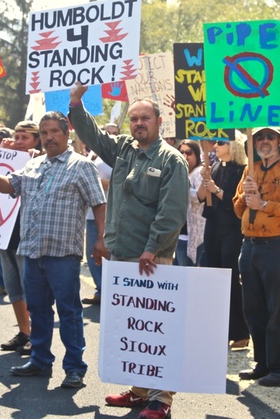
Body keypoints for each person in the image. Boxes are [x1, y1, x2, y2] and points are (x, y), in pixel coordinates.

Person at [69, 84, 188, 419]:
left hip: (152, 259)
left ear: (159, 121)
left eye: (145, 118)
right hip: (122, 257)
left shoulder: (171, 160)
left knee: (156, 328)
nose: (138, 123)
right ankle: (138, 391)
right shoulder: (122, 149)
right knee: (133, 328)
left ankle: (162, 398)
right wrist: (76, 102)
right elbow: (91, 134)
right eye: (134, 118)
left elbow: (171, 212)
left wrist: (152, 249)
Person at [0, 111, 106, 389]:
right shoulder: (33, 165)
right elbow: (9, 185)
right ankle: (40, 360)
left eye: (53, 132)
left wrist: (101, 239)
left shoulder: (81, 166)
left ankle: (74, 367)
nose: (48, 137)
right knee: (38, 309)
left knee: (69, 311)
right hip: (32, 252)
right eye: (44, 133)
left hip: (63, 254)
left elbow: (98, 202)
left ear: (66, 133)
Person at [233, 126, 280, 387]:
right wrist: (246, 193)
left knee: (276, 309)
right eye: (260, 137)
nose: (264, 141)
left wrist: (264, 205)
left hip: (277, 246)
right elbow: (237, 207)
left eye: (270, 137)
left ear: (279, 142)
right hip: (250, 245)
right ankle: (262, 363)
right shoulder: (249, 169)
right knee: (253, 308)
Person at [197, 136, 249, 349]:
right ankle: (217, 329)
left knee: (229, 277)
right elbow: (201, 197)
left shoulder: (242, 170)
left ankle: (240, 332)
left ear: (233, 145)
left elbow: (236, 201)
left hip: (232, 230)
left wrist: (216, 190)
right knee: (213, 276)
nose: (215, 146)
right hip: (213, 227)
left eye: (221, 143)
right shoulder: (215, 166)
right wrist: (205, 181)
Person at [0, 120, 41, 355]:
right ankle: (24, 333)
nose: (19, 142)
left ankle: (38, 336)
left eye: (25, 138)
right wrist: (1, 153)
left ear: (36, 140)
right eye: (17, 137)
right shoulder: (8, 158)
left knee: (31, 288)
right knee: (13, 288)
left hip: (28, 235)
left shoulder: (40, 161)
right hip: (5, 233)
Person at [82, 122, 118, 306]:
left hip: (111, 213)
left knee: (109, 253)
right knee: (92, 253)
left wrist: (97, 182)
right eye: (107, 132)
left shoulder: (119, 157)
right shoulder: (93, 155)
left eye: (114, 133)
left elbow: (119, 183)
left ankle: (111, 292)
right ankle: (100, 290)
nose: (110, 135)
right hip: (91, 213)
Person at [175, 139, 204, 267]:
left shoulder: (199, 173)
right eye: (181, 152)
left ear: (196, 155)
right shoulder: (179, 173)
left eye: (189, 152)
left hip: (192, 236)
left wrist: (181, 186)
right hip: (177, 235)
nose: (185, 156)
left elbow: (199, 197)